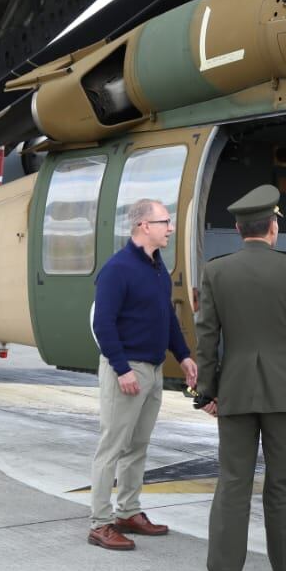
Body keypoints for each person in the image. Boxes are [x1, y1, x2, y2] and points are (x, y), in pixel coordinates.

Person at [196, 184, 286, 571]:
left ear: (237, 228)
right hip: (285, 392)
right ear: (273, 228)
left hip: (234, 390)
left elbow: (207, 338)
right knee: (283, 481)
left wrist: (207, 392)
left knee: (233, 481)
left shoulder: (216, 271)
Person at [88, 198, 198, 551]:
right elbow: (103, 325)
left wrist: (183, 356)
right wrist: (121, 369)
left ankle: (128, 512)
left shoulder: (156, 269)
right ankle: (100, 523)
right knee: (112, 448)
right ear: (143, 227)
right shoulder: (117, 269)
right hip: (127, 369)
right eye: (164, 221)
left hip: (151, 371)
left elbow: (166, 318)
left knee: (138, 447)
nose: (170, 227)